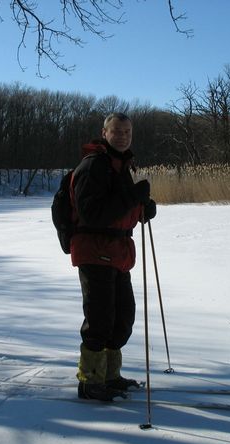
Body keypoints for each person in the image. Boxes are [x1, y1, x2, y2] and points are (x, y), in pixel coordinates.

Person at [69, 112, 157, 401]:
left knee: (122, 318)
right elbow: (93, 213)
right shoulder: (93, 166)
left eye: (127, 132)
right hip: (95, 251)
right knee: (100, 318)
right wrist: (132, 198)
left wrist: (141, 210)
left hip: (117, 252)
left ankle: (109, 375)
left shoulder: (119, 166)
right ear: (104, 133)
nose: (122, 136)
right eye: (116, 131)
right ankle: (89, 381)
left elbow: (117, 210)